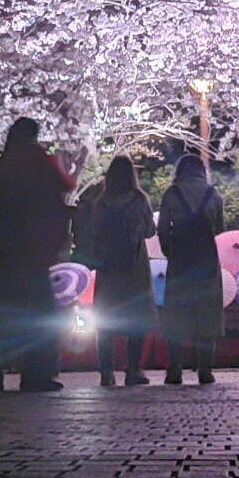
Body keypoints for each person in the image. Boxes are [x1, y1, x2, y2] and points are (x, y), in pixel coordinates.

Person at [0, 118, 73, 392]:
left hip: (2, 250)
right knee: (39, 313)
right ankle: (36, 373)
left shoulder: (2, 164)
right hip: (32, 249)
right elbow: (64, 185)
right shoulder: (40, 161)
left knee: (2, 314)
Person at [88, 155, 155, 386]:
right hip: (135, 266)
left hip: (108, 267)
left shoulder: (101, 202)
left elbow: (93, 231)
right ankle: (133, 369)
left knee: (106, 320)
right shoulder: (139, 200)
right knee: (136, 319)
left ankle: (107, 372)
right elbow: (150, 231)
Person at [157, 154, 225, 385]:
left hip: (180, 259)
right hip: (206, 258)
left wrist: (169, 249)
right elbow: (219, 228)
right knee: (207, 312)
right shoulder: (212, 194)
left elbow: (163, 227)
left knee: (176, 312)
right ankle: (205, 369)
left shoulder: (171, 193)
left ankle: (174, 369)